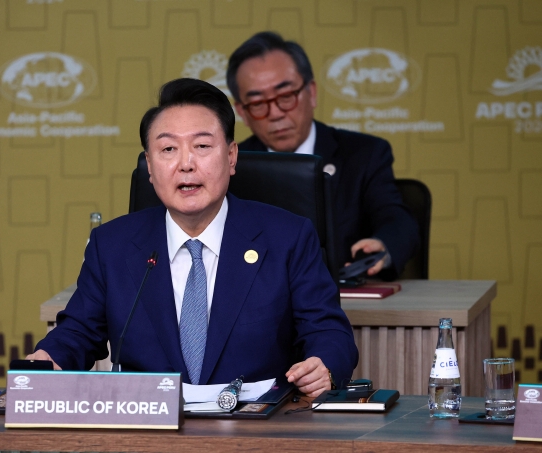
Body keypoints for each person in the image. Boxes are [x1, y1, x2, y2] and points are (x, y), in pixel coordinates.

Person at [28, 78, 358, 396]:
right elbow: (78, 332)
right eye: (168, 149)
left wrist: (323, 365)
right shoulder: (112, 246)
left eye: (201, 146)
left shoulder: (287, 237)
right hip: (148, 431)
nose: (186, 164)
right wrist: (47, 361)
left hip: (256, 429)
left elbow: (328, 331)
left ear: (231, 157)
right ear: (150, 167)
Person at [227, 32, 419, 280]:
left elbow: (397, 220)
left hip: (345, 303)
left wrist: (383, 244)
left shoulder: (364, 155)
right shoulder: (233, 166)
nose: (275, 113)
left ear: (312, 92)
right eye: (258, 103)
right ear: (242, 111)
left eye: (286, 96)